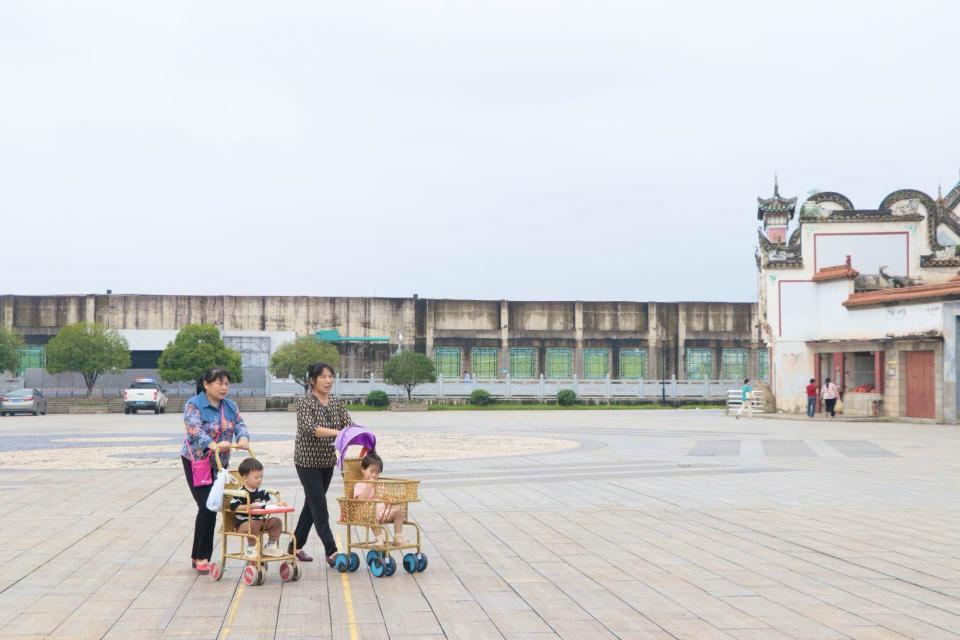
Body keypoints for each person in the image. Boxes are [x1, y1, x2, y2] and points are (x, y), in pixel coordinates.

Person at [181, 367, 249, 573]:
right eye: (219, 383)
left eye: (226, 383)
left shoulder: (229, 405)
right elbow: (194, 430)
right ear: (206, 384)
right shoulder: (194, 405)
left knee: (214, 505)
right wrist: (211, 444)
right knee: (207, 507)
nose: (224, 387)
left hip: (221, 464)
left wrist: (243, 438)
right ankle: (201, 556)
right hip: (198, 462)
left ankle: (198, 555)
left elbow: (239, 424)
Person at [292, 362, 352, 566]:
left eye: (330, 376)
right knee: (319, 506)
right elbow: (311, 429)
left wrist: (359, 435)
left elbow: (348, 425)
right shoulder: (305, 403)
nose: (328, 380)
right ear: (312, 380)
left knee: (311, 504)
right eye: (323, 377)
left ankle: (294, 546)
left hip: (327, 461)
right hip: (307, 461)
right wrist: (338, 433)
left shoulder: (337, 402)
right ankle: (332, 550)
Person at [230, 457, 287, 558]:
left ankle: (270, 545)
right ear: (245, 478)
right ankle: (251, 547)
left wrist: (277, 505)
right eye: (256, 478)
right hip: (244, 524)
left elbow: (269, 504)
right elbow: (233, 506)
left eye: (261, 477)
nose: (260, 480)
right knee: (254, 523)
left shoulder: (262, 492)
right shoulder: (241, 492)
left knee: (277, 521)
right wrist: (249, 506)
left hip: (261, 521)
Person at [352, 452, 407, 546]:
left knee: (399, 511)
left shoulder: (378, 485)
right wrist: (368, 487)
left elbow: (384, 497)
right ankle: (379, 538)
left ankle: (398, 536)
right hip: (366, 512)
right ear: (363, 470)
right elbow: (360, 500)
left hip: (381, 510)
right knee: (371, 513)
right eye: (372, 471)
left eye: (377, 472)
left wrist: (388, 500)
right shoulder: (359, 485)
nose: (374, 475)